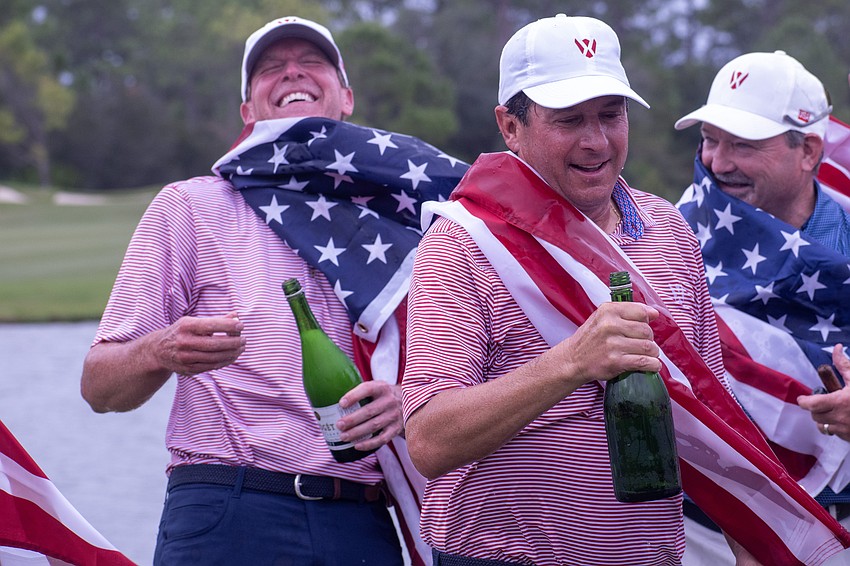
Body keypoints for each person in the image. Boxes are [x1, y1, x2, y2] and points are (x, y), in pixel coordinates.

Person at [400, 14, 849, 566]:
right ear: (510, 126)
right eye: (568, 120)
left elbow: (712, 420)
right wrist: (571, 362)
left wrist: (752, 549)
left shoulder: (669, 229)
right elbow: (429, 440)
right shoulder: (464, 243)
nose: (596, 142)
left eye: (611, 115)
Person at [80, 16, 467, 565]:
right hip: (227, 506)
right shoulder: (189, 206)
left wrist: (405, 405)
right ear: (248, 111)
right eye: (269, 68)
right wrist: (160, 350)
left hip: (358, 517)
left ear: (346, 96)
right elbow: (99, 387)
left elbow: (460, 368)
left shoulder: (412, 215)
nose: (291, 73)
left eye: (312, 63)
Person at [674, 50, 850, 565]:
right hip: (707, 528)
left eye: (743, 145)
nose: (717, 162)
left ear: (808, 150)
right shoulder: (665, 235)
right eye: (709, 139)